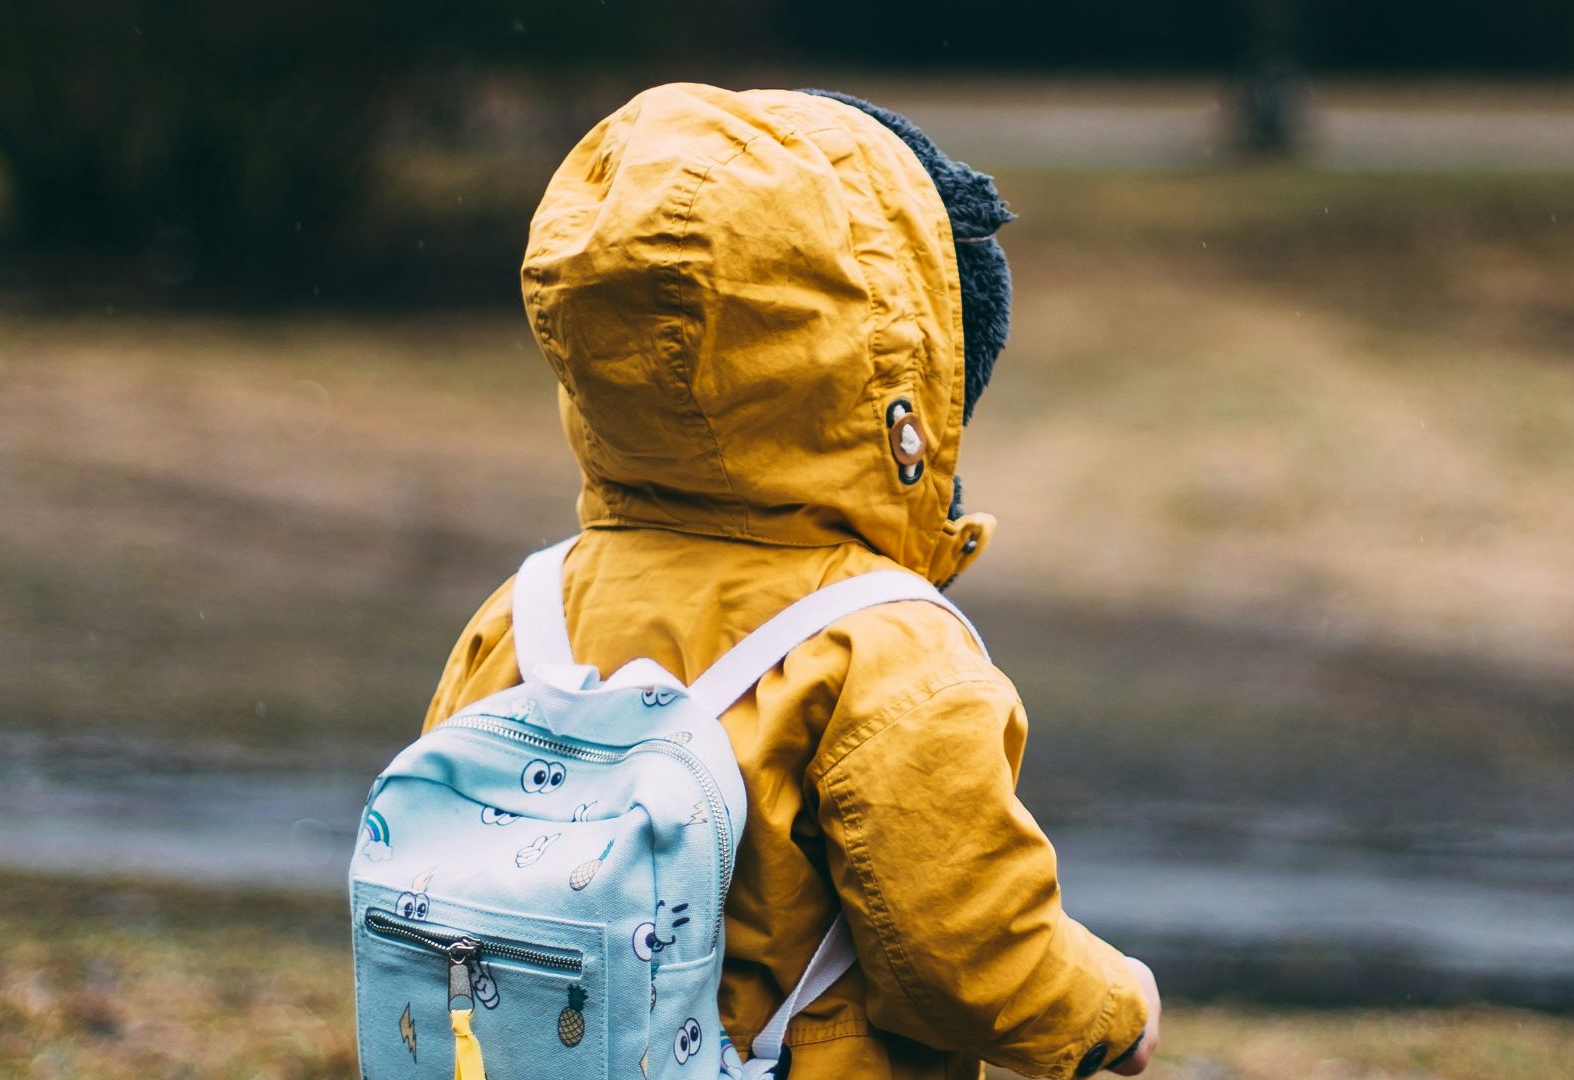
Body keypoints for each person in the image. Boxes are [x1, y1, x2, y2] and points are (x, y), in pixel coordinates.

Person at [423, 82, 1160, 1080]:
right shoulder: (885, 649)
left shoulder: (531, 610)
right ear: (899, 365)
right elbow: (964, 953)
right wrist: (1114, 1006)